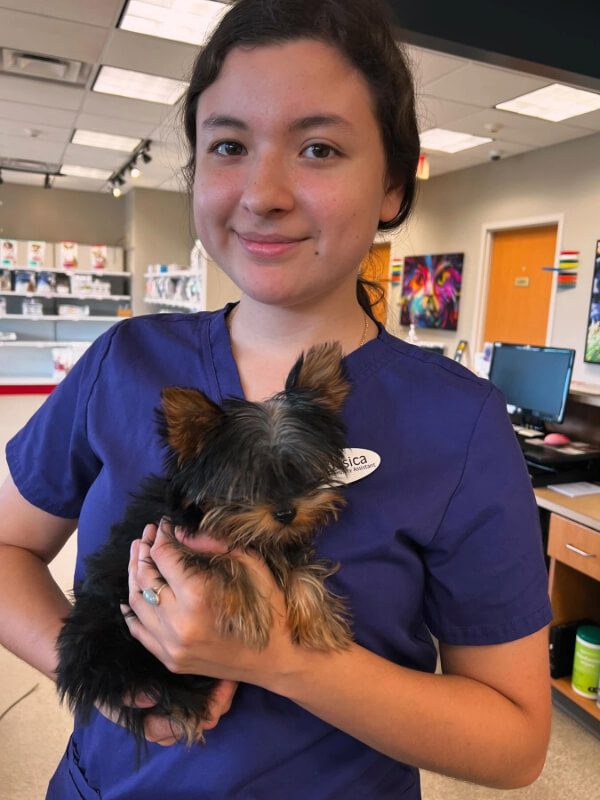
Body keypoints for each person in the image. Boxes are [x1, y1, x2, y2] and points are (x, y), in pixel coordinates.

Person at [0, 0, 553, 797]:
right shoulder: (123, 363)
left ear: (394, 184)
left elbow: (516, 744)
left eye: (319, 148)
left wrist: (286, 660)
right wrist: (102, 679)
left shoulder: (459, 422)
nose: (263, 192)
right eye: (229, 145)